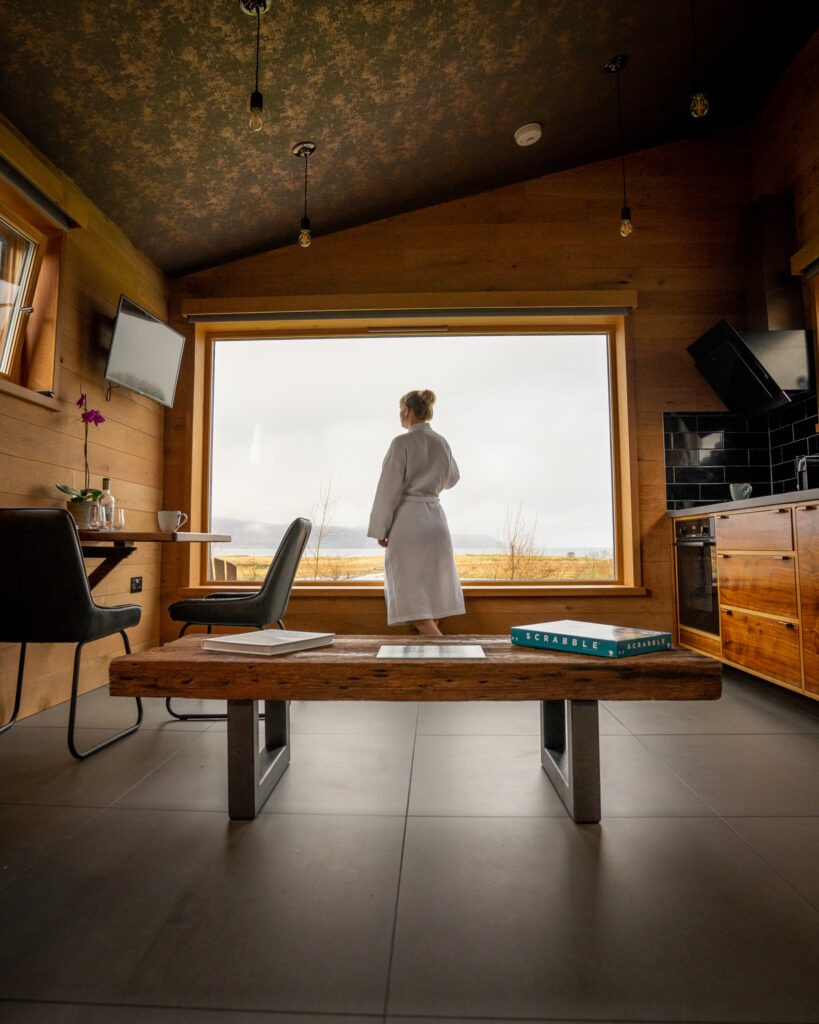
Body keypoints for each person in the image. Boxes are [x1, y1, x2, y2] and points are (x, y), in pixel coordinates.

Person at [367, 389, 465, 634]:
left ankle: (443, 654)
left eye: (400, 409)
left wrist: (381, 528)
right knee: (432, 593)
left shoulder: (402, 443)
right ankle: (431, 659)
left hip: (409, 522)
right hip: (436, 521)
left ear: (407, 410)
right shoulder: (441, 442)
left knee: (411, 595)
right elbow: (452, 479)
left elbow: (388, 489)